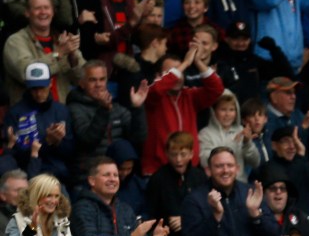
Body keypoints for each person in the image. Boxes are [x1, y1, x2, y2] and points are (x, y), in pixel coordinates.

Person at [141, 45, 225, 176]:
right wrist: (185, 63)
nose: (178, 76)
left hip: (189, 170)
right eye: (172, 72)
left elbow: (217, 89)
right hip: (158, 171)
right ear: (158, 75)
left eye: (181, 72)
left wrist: (197, 62)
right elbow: (157, 89)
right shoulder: (151, 97)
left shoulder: (190, 95)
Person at [66, 59, 148, 191]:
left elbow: (138, 139)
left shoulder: (116, 108)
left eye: (102, 79)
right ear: (82, 83)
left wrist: (138, 108)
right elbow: (88, 140)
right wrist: (103, 110)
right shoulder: (74, 108)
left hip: (117, 178)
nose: (98, 84)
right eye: (92, 80)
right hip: (87, 180)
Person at [3, 0, 85, 105]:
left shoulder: (63, 40)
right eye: (37, 8)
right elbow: (26, 73)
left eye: (46, 8)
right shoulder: (15, 41)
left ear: (53, 12)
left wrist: (72, 57)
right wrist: (58, 54)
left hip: (61, 114)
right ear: (27, 13)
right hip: (29, 117)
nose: (43, 12)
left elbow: (81, 79)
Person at [3, 61, 75, 186]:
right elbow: (14, 156)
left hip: (58, 176)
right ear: (27, 87)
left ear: (50, 83)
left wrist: (58, 142)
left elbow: (71, 151)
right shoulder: (15, 113)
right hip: (28, 176)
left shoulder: (62, 111)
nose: (38, 93)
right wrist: (46, 141)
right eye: (34, 88)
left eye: (42, 87)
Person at [197, 89, 259, 183]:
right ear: (214, 112)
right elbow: (204, 161)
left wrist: (247, 143)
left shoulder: (241, 131)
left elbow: (255, 162)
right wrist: (232, 144)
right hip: (215, 185)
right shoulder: (205, 134)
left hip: (240, 184)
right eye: (223, 110)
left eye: (231, 110)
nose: (227, 114)